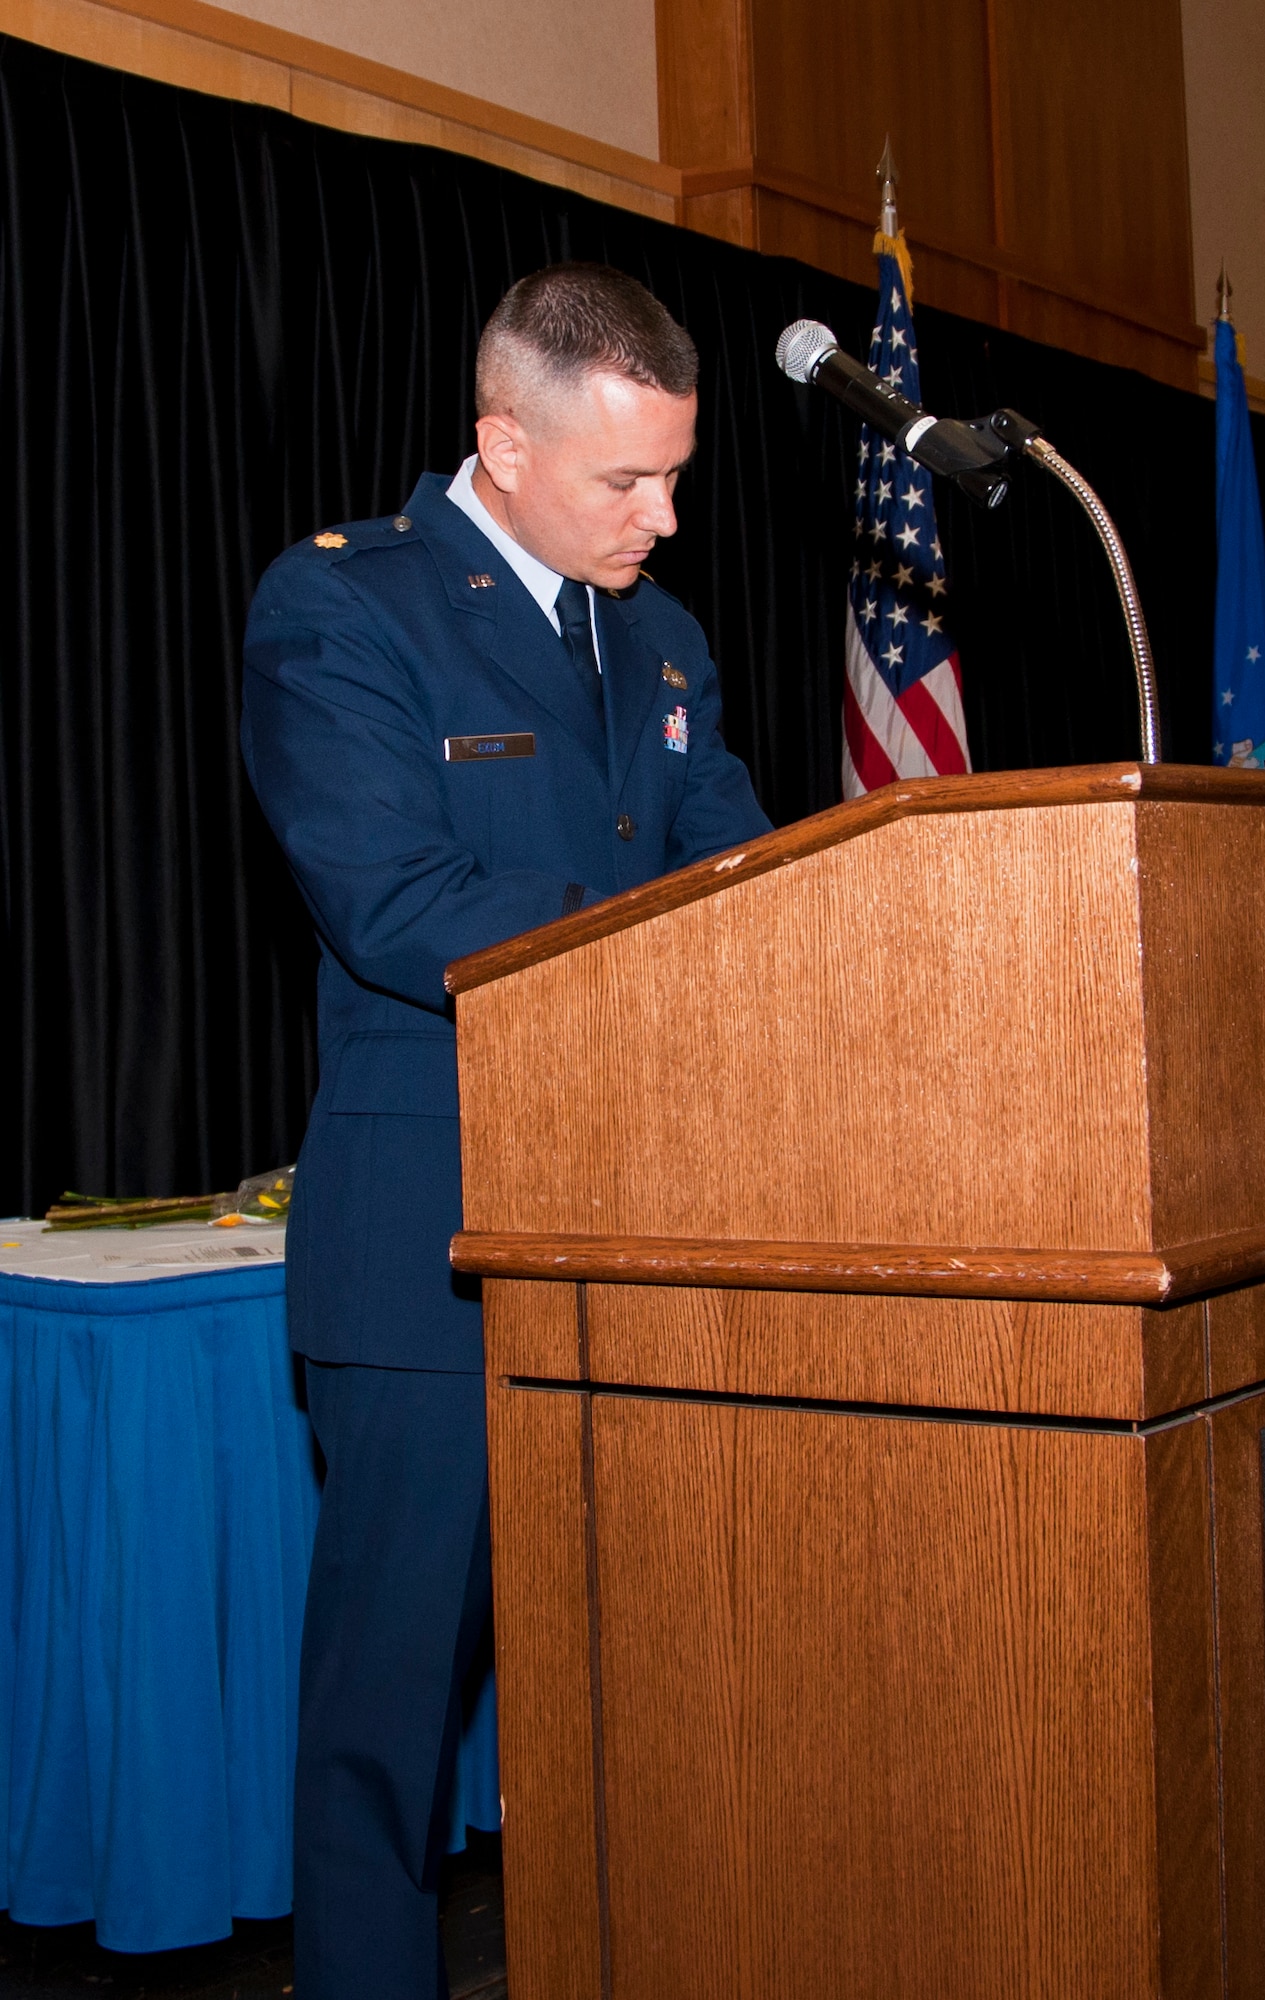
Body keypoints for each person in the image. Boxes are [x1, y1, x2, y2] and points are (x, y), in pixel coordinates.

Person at [241, 262, 771, 1999]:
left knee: (651, 1699)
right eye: (626, 481)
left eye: (676, 475)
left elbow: (748, 884)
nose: (664, 516)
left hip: (655, 1225)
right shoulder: (347, 612)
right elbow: (398, 902)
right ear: (501, 444)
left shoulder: (665, 636)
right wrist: (665, 937)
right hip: (433, 1253)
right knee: (386, 1730)